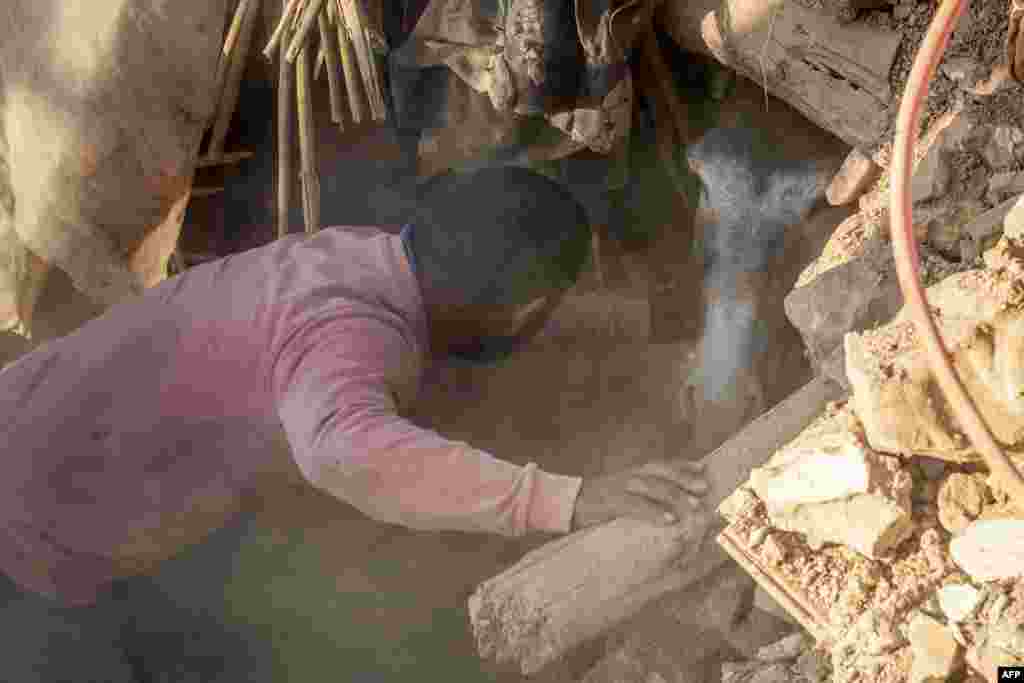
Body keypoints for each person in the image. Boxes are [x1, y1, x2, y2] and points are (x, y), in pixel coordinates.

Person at [0, 166, 707, 680]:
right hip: (24, 546)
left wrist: (651, 324)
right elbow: (343, 451)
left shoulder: (356, 258)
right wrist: (568, 499)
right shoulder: (348, 334)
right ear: (524, 313)